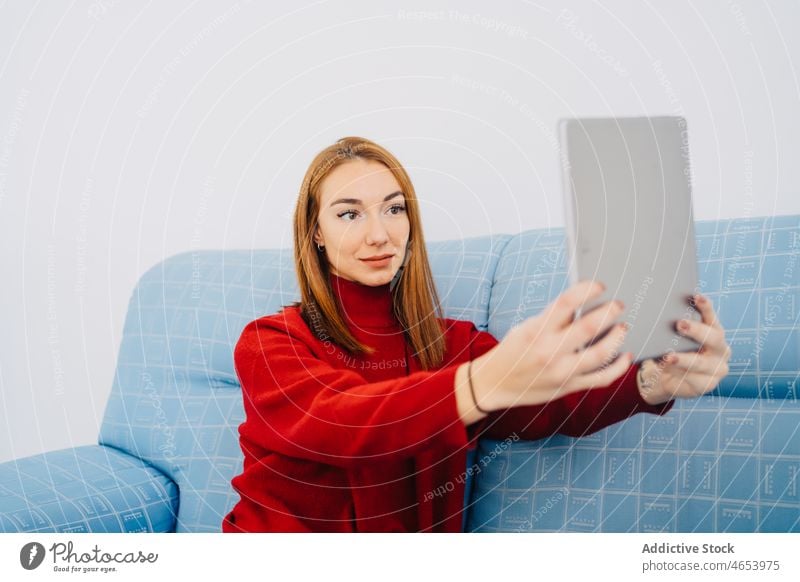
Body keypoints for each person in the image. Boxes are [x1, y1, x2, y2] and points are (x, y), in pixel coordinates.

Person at [222, 136, 731, 533]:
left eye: (394, 208)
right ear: (314, 231)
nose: (379, 234)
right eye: (349, 213)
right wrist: (481, 383)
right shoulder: (270, 342)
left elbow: (544, 405)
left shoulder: (451, 345)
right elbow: (343, 423)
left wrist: (651, 383)